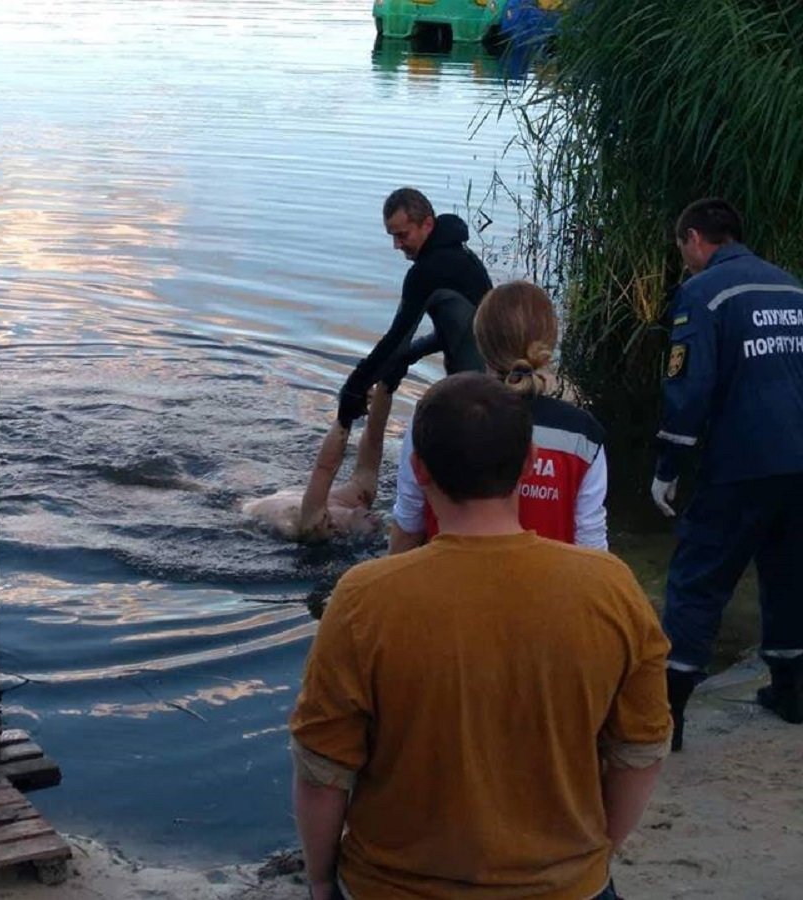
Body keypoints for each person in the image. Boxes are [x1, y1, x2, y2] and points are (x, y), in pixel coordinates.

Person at [290, 372, 671, 900]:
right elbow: (641, 750)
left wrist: (317, 880)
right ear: (529, 462)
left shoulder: (363, 599)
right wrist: (595, 853)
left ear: (419, 468)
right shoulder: (612, 590)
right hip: (566, 885)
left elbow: (322, 772)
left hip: (391, 886)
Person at [651, 197, 803, 748]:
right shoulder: (791, 288)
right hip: (799, 463)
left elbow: (688, 390)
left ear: (695, 238)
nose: (684, 259)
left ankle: (669, 716)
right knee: (789, 577)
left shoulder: (703, 293)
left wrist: (668, 466)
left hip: (741, 465)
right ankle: (790, 694)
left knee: (697, 581)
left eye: (682, 248)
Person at [390, 280, 608, 552]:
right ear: (549, 343)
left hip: (448, 588)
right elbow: (591, 544)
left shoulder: (437, 415)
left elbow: (409, 524)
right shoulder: (583, 436)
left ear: (481, 341)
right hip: (548, 590)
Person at [337, 187, 492, 429]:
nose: (396, 245)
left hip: (474, 398)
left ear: (427, 225)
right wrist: (410, 355)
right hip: (489, 386)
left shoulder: (427, 272)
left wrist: (353, 389)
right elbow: (458, 329)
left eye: (402, 235)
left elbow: (396, 340)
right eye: (392, 236)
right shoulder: (459, 254)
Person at [243, 385, 391, 543]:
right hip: (268, 496)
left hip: (244, 511)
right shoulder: (358, 497)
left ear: (342, 534)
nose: (378, 525)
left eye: (373, 531)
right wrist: (387, 385)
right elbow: (374, 439)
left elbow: (325, 468)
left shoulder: (319, 525)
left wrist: (345, 415)